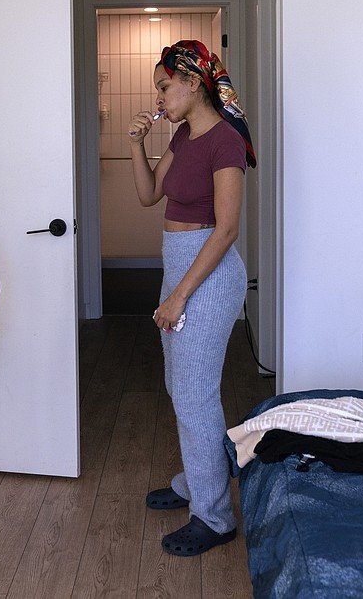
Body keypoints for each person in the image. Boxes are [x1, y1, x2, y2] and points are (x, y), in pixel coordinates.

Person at [126, 39, 256, 556]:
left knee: (195, 391)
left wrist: (179, 296)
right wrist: (137, 143)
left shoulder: (225, 141)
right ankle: (202, 476)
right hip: (179, 264)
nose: (158, 96)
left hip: (207, 273)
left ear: (193, 81)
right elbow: (147, 194)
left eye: (164, 86)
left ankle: (216, 516)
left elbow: (226, 230)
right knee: (181, 385)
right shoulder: (182, 135)